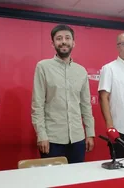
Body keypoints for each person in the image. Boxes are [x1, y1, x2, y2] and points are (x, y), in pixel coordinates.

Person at [31, 24, 95, 163]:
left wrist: (90, 133)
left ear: (73, 43)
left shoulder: (81, 71)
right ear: (53, 43)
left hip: (78, 139)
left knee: (77, 181)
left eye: (67, 38)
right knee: (53, 181)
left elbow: (85, 105)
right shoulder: (43, 67)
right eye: (59, 38)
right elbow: (38, 105)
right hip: (52, 139)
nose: (64, 41)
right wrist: (41, 135)